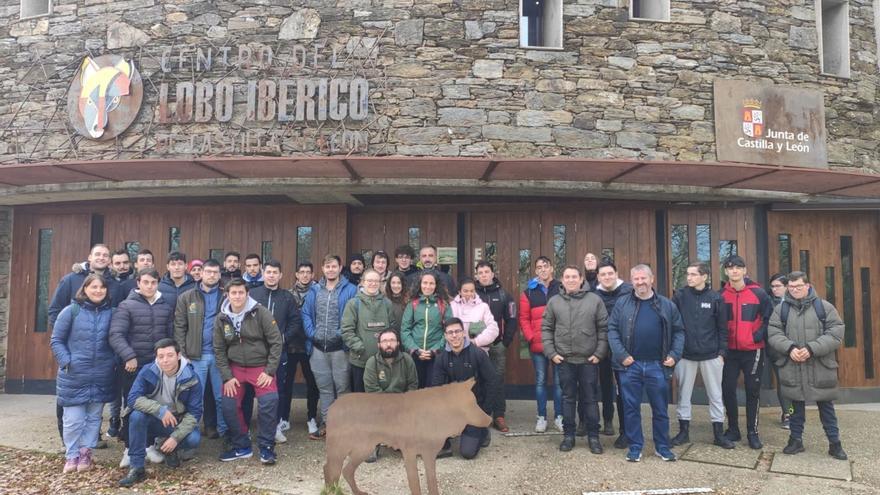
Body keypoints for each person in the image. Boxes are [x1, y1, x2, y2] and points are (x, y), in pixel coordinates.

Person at [608, 264, 684, 463]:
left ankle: (662, 447)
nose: (640, 282)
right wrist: (621, 355)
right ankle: (635, 447)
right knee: (631, 409)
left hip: (658, 366)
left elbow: (679, 332)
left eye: (643, 278)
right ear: (631, 281)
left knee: (660, 409)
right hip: (629, 366)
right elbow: (612, 330)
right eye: (636, 279)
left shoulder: (667, 305)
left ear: (651, 279)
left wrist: (675, 355)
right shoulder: (622, 304)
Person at [768, 271, 847, 460]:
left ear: (808, 286)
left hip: (820, 367)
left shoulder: (824, 307)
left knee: (826, 407)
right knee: (795, 407)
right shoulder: (781, 310)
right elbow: (773, 333)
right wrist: (790, 348)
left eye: (799, 286)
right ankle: (795, 440)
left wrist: (812, 348)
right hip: (792, 366)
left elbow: (836, 333)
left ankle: (834, 443)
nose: (795, 290)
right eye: (792, 287)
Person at [109, 268, 176, 467]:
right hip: (133, 367)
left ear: (158, 283)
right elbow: (116, 335)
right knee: (132, 408)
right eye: (145, 282)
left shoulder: (165, 306)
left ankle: (147, 446)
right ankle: (130, 450)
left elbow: (171, 336)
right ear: (138, 283)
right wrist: (129, 356)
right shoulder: (126, 305)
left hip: (157, 367)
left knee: (154, 406)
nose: (149, 286)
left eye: (153, 282)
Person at [50, 274, 116, 473]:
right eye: (93, 287)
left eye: (101, 287)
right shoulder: (71, 311)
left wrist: (114, 361)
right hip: (74, 374)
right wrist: (67, 361)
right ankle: (71, 455)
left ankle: (86, 452)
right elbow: (57, 340)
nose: (98, 290)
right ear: (84, 289)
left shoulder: (112, 313)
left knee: (94, 418)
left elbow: (119, 338)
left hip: (102, 374)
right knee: (73, 419)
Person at [214, 278, 283, 464]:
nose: (237, 296)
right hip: (235, 368)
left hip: (260, 366)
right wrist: (227, 376)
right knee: (228, 404)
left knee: (269, 402)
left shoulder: (261, 313)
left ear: (247, 294)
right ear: (227, 295)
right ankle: (241, 446)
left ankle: (266, 447)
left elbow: (277, 342)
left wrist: (269, 371)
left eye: (241, 292)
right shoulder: (221, 318)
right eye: (233, 293)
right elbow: (219, 350)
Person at [118, 339, 203, 487]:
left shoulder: (191, 377)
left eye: (170, 355)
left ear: (178, 355)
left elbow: (195, 413)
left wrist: (175, 438)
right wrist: (160, 410)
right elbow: (133, 399)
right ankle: (137, 467)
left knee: (193, 438)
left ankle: (169, 448)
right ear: (156, 357)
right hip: (153, 418)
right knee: (136, 416)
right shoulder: (147, 371)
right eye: (161, 356)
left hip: (177, 421)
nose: (165, 360)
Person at [541, 265, 608, 454]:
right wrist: (552, 353)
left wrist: (599, 353)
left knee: (590, 399)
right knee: (568, 399)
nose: (570, 280)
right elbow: (546, 328)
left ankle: (593, 437)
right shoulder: (554, 302)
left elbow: (603, 328)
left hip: (589, 360)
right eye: (567, 277)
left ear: (581, 280)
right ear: (562, 280)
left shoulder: (595, 300)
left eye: (574, 277)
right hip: (564, 361)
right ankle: (568, 436)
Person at [670, 262, 734, 450]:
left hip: (711, 355)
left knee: (715, 395)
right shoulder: (680, 296)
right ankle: (683, 432)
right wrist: (675, 351)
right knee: (683, 394)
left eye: (693, 274)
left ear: (704, 277)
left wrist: (722, 353)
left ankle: (718, 434)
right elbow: (673, 325)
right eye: (687, 274)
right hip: (685, 355)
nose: (689, 277)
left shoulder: (716, 298)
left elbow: (723, 328)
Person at [720, 255, 774, 450]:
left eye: (738, 267)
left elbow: (770, 319)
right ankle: (733, 428)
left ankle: (753, 432)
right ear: (726, 272)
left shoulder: (758, 293)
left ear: (744, 270)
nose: (734, 271)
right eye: (730, 267)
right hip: (730, 352)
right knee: (727, 389)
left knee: (752, 391)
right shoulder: (721, 295)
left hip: (752, 350)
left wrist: (756, 336)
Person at [302, 255, 358, 439]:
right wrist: (312, 333)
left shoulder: (350, 290)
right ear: (323, 268)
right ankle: (328, 423)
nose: (331, 269)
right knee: (325, 389)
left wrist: (340, 333)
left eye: (334, 266)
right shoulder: (315, 290)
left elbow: (353, 316)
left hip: (340, 349)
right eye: (327, 266)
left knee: (342, 388)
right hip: (318, 349)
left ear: (340, 268)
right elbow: (305, 314)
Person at [173, 259, 227, 440]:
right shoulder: (187, 297)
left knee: (222, 398)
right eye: (208, 271)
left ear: (220, 275)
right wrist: (183, 353)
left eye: (215, 272)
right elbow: (179, 327)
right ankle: (191, 438)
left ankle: (224, 433)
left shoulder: (227, 295)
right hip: (196, 357)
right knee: (195, 399)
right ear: (201, 273)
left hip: (221, 356)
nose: (212, 275)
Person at [431, 318, 498, 460]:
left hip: (474, 410)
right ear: (445, 336)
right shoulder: (441, 358)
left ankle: (483, 431)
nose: (454, 335)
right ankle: (445, 444)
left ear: (463, 333)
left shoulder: (478, 354)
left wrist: (485, 411)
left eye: (457, 331)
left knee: (467, 453)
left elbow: (492, 382)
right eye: (450, 332)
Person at [250, 260, 301, 444]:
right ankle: (250, 427)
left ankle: (276, 426)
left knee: (277, 389)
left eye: (275, 272)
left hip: (279, 352)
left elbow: (296, 321)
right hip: (255, 352)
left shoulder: (287, 297)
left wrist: (283, 338)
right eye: (268, 272)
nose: (271, 275)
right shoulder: (253, 294)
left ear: (280, 275)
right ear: (263, 274)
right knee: (250, 390)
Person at [519, 256, 563, 433]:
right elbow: (523, 319)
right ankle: (542, 417)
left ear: (552, 268)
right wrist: (530, 338)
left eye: (546, 266)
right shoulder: (528, 292)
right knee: (540, 381)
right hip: (537, 346)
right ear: (535, 271)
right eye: (539, 267)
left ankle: (560, 417)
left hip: (559, 344)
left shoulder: (561, 288)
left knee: (560, 383)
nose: (543, 269)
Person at [362, 328, 419, 462]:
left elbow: (413, 385)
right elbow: (371, 390)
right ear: (378, 345)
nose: (388, 344)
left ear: (398, 343)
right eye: (385, 341)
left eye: (392, 340)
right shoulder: (372, 363)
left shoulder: (407, 360)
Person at [474, 262, 518, 433]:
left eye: (487, 272)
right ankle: (478, 414)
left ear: (493, 273)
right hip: (476, 347)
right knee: (476, 380)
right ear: (476, 275)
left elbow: (512, 319)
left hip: (496, 346)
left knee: (497, 380)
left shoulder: (504, 295)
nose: (484, 275)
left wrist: (504, 342)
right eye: (480, 272)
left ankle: (499, 415)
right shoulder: (472, 294)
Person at [594, 260, 632, 448]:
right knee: (604, 385)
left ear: (616, 273)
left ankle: (626, 431)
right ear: (598, 277)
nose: (607, 277)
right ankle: (607, 421)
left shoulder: (629, 291)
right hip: (600, 347)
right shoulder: (594, 294)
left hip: (623, 348)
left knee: (623, 390)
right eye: (603, 275)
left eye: (610, 273)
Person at [341, 269, 396, 393]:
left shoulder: (387, 303)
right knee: (361, 401)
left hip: (384, 361)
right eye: (369, 280)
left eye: (376, 281)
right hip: (361, 362)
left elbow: (392, 329)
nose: (373, 284)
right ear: (362, 283)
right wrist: (360, 348)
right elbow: (346, 330)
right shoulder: (353, 304)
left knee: (381, 399)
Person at [401, 271, 453, 388]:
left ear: (436, 285)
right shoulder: (413, 304)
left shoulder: (444, 305)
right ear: (420, 284)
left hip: (436, 356)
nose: (428, 286)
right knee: (415, 388)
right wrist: (415, 349)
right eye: (425, 283)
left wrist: (435, 350)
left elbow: (449, 330)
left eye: (431, 283)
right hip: (415, 355)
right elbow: (405, 329)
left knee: (432, 389)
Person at [286, 261, 320, 436]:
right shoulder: (288, 294)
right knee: (287, 383)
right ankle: (284, 418)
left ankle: (312, 417)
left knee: (312, 383)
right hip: (291, 345)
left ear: (313, 275)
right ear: (297, 275)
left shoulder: (318, 293)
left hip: (310, 344)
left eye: (308, 272)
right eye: (302, 272)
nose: (305, 275)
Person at [767, 273, 793, 429]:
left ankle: (795, 412)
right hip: (777, 349)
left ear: (786, 287)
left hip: (796, 348)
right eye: (772, 286)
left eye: (778, 286)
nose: (774, 289)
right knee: (783, 383)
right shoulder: (769, 303)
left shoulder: (796, 302)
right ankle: (787, 413)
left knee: (795, 383)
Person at [450, 278, 499, 353]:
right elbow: (447, 328)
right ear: (459, 292)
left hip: (478, 351)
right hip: (455, 351)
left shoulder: (483, 307)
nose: (469, 294)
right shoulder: (452, 306)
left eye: (472, 291)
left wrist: (476, 341)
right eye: (465, 291)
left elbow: (493, 329)